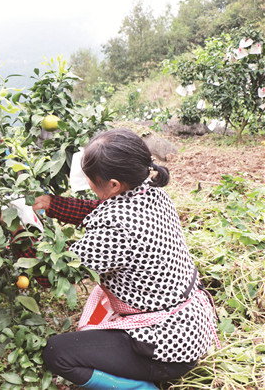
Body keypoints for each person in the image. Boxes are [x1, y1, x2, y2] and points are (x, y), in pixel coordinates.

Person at [12, 128, 218, 389]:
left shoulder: (116, 231)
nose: (87, 181)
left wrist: (18, 234)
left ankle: (143, 387)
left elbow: (52, 273)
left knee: (57, 353)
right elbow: (99, 209)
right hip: (188, 323)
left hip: (167, 345)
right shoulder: (149, 191)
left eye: (89, 177)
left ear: (113, 185)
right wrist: (50, 204)